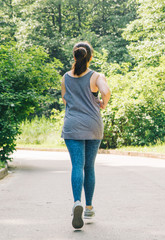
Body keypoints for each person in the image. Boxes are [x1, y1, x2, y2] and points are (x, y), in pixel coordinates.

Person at [61, 41, 111, 229]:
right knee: (89, 167)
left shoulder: (65, 77)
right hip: (92, 126)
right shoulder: (96, 76)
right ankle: (89, 207)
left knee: (76, 165)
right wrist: (102, 103)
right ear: (90, 57)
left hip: (72, 125)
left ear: (74, 56)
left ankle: (76, 202)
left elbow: (66, 101)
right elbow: (106, 92)